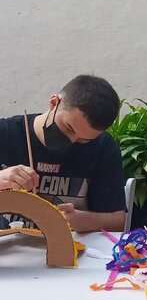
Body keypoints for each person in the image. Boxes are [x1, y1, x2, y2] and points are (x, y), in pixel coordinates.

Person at [0, 75, 126, 232]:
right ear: (54, 103)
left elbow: (118, 220)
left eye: (84, 140)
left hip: (70, 250)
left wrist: (82, 220)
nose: (72, 141)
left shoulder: (102, 147)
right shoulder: (5, 134)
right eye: (68, 128)